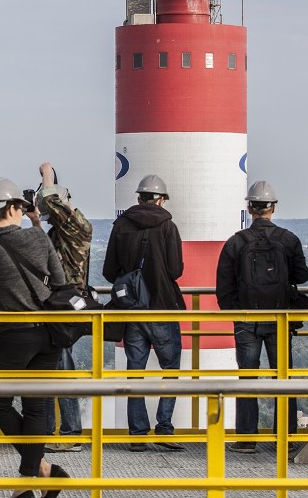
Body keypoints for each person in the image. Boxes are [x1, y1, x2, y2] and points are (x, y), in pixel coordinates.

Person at [0, 177, 71, 498]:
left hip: (12, 335)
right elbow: (60, 283)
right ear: (14, 208)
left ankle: (30, 479)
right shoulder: (39, 238)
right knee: (37, 408)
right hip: (49, 333)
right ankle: (38, 473)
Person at [216, 180, 308, 454]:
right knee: (283, 377)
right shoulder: (288, 239)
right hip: (279, 319)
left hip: (247, 320)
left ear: (250, 207)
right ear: (273, 208)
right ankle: (287, 438)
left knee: (247, 377)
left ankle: (246, 439)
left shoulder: (236, 242)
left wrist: (238, 313)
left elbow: (224, 287)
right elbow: (302, 276)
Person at [102, 174, 185, 453]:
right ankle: (164, 428)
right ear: (161, 200)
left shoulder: (121, 225)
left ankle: (137, 434)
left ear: (138, 198)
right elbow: (175, 270)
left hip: (133, 310)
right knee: (171, 369)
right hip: (162, 307)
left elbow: (109, 271)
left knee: (134, 373)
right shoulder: (168, 226)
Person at [27, 162, 92, 454]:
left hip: (66, 309)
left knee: (62, 369)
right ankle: (53, 430)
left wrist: (47, 176)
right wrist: (37, 223)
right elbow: (47, 258)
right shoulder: (60, 233)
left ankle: (69, 432)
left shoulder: (79, 226)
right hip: (54, 306)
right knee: (51, 368)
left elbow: (53, 202)